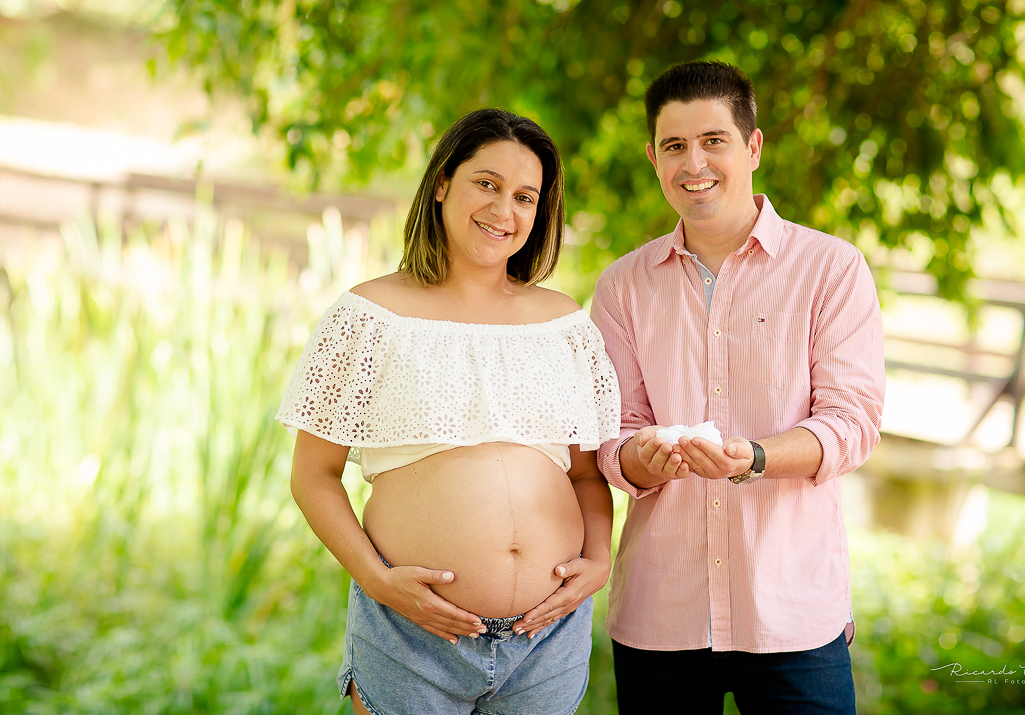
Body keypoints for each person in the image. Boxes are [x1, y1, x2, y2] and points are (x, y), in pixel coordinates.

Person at [276, 108, 620, 715]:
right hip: (413, 635)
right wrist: (378, 580)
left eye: (524, 197)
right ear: (442, 185)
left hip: (547, 640)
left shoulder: (565, 322)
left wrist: (598, 557)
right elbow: (313, 475)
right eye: (485, 184)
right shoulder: (367, 315)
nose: (503, 210)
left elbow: (587, 475)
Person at [590, 60, 885, 714]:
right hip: (661, 618)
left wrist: (752, 457)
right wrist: (645, 454)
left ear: (752, 146)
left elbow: (852, 423)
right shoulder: (621, 287)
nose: (694, 162)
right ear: (653, 157)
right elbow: (613, 434)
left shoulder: (831, 269)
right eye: (674, 146)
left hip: (793, 616)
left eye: (713, 140)